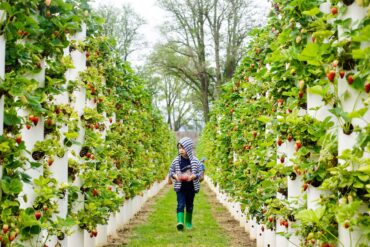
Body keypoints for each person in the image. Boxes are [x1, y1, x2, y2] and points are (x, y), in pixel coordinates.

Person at [169, 137, 201, 231]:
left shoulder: (195, 161)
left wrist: (194, 176)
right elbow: (171, 171)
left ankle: (188, 222)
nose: (180, 150)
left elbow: (199, 173)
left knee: (190, 205)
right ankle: (180, 222)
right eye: (179, 148)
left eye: (183, 148)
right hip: (180, 187)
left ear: (188, 149)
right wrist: (175, 176)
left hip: (191, 187)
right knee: (180, 204)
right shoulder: (176, 161)